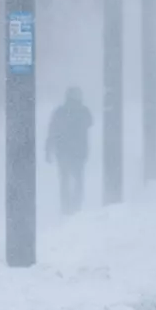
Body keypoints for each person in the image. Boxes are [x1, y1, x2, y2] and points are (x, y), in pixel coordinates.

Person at [45, 86, 93, 215]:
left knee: (65, 180)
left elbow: (52, 131)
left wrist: (48, 150)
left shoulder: (60, 112)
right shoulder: (83, 111)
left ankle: (66, 208)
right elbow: (89, 122)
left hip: (63, 152)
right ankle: (76, 207)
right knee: (78, 180)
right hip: (78, 152)